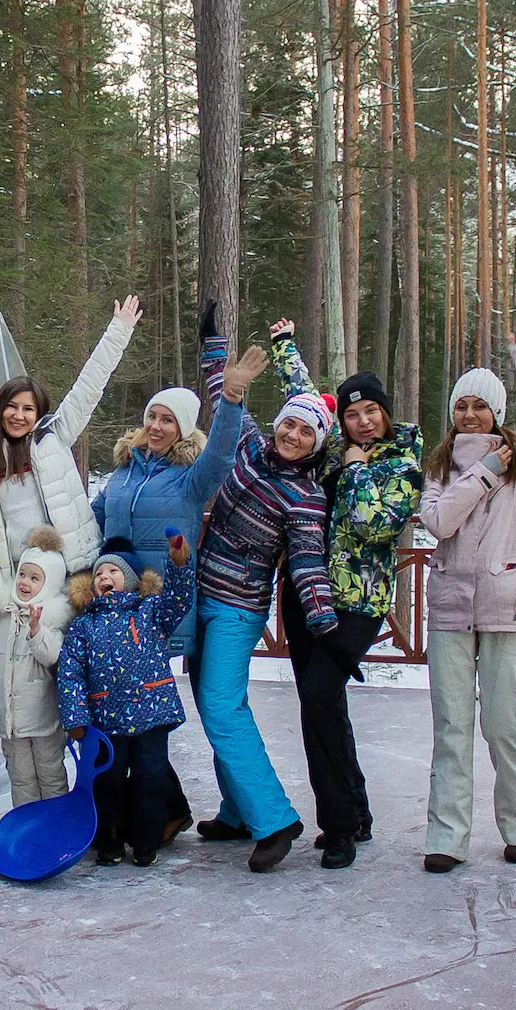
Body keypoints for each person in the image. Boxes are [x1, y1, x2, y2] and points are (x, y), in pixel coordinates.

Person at [268, 320, 423, 870]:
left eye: (370, 413)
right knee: (323, 705)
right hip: (306, 595)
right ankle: (354, 810)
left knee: (317, 697)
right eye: (352, 415)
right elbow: (304, 403)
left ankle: (338, 829)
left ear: (385, 415)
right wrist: (286, 347)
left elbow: (374, 526)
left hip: (357, 603)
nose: (360, 422)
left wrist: (355, 472)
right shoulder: (334, 449)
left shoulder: (401, 463)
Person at [418, 314, 516, 874]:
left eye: (480, 405)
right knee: (451, 728)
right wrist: (481, 471)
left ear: (497, 413)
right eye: (462, 405)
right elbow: (440, 522)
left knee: (504, 726)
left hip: (506, 610)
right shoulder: (439, 465)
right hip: (451, 612)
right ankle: (446, 837)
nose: (470, 413)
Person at [189, 309, 332, 873]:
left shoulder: (306, 499)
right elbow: (228, 391)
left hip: (237, 606)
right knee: (212, 702)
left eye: (306, 432)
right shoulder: (249, 446)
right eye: (290, 425)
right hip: (199, 590)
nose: (294, 436)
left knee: (222, 705)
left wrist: (324, 619)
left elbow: (307, 563)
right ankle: (237, 810)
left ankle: (274, 819)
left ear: (316, 443)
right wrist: (212, 344)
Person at [91, 379, 245, 842]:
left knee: (142, 718)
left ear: (183, 429)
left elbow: (220, 455)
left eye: (168, 420)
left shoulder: (190, 476)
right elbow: (94, 516)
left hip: (158, 609)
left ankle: (158, 813)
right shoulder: (125, 470)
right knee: (126, 716)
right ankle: (164, 810)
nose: (156, 426)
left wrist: (232, 403)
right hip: (114, 609)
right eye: (152, 416)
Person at [0, 296, 142, 583]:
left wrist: (119, 330)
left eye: (28, 409)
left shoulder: (52, 436)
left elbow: (88, 387)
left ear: (38, 414)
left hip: (73, 566)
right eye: (12, 406)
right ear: (0, 407)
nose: (18, 416)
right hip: (20, 573)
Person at [57, 532, 196, 867]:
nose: (105, 577)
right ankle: (110, 840)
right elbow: (70, 671)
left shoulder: (150, 611)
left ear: (131, 582)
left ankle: (147, 842)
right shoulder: (84, 625)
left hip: (152, 715)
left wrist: (179, 563)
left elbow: (179, 599)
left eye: (114, 573)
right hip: (107, 721)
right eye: (100, 574)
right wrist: (75, 718)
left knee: (151, 780)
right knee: (108, 782)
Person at [0, 526, 75, 806]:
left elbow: (52, 655)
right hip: (10, 721)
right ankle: (29, 828)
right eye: (23, 575)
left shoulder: (52, 618)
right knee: (20, 778)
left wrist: (36, 629)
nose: (25, 582)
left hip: (43, 719)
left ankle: (55, 825)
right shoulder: (4, 614)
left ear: (49, 585)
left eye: (35, 578)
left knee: (51, 775)